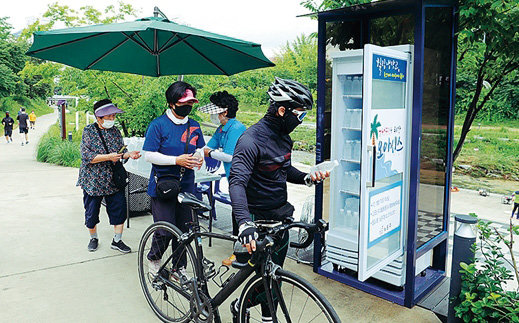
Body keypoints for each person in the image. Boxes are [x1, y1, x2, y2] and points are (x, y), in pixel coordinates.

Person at [228, 77, 329, 322]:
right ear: (282, 110)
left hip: (280, 217)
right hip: (254, 219)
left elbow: (283, 169)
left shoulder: (284, 137)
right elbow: (237, 182)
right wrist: (243, 223)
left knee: (273, 277)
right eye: (300, 114)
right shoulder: (250, 140)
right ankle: (243, 305)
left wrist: (307, 177)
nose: (301, 120)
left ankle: (263, 314)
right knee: (260, 275)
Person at [142, 81, 205, 276]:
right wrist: (176, 160)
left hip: (186, 185)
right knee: (165, 230)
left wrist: (199, 157)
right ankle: (155, 258)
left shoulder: (194, 125)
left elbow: (200, 148)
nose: (188, 106)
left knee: (185, 231)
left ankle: (180, 267)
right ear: (172, 103)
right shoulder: (158, 125)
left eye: (191, 102)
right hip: (163, 185)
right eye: (184, 102)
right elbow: (149, 155)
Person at [76, 99, 141, 253]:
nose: (112, 120)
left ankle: (117, 241)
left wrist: (128, 155)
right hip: (93, 180)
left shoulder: (115, 132)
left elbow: (119, 153)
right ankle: (93, 238)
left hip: (113, 179)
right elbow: (87, 157)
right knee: (91, 213)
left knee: (119, 210)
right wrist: (108, 157)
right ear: (99, 118)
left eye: (113, 116)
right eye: (109, 117)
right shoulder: (89, 131)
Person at [198, 90, 246, 265]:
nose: (213, 116)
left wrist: (211, 153)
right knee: (237, 213)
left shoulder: (237, 128)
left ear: (224, 112)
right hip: (232, 176)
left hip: (244, 177)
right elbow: (207, 147)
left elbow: (230, 156)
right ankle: (240, 250)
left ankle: (240, 254)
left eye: (216, 112)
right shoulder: (222, 129)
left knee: (240, 215)